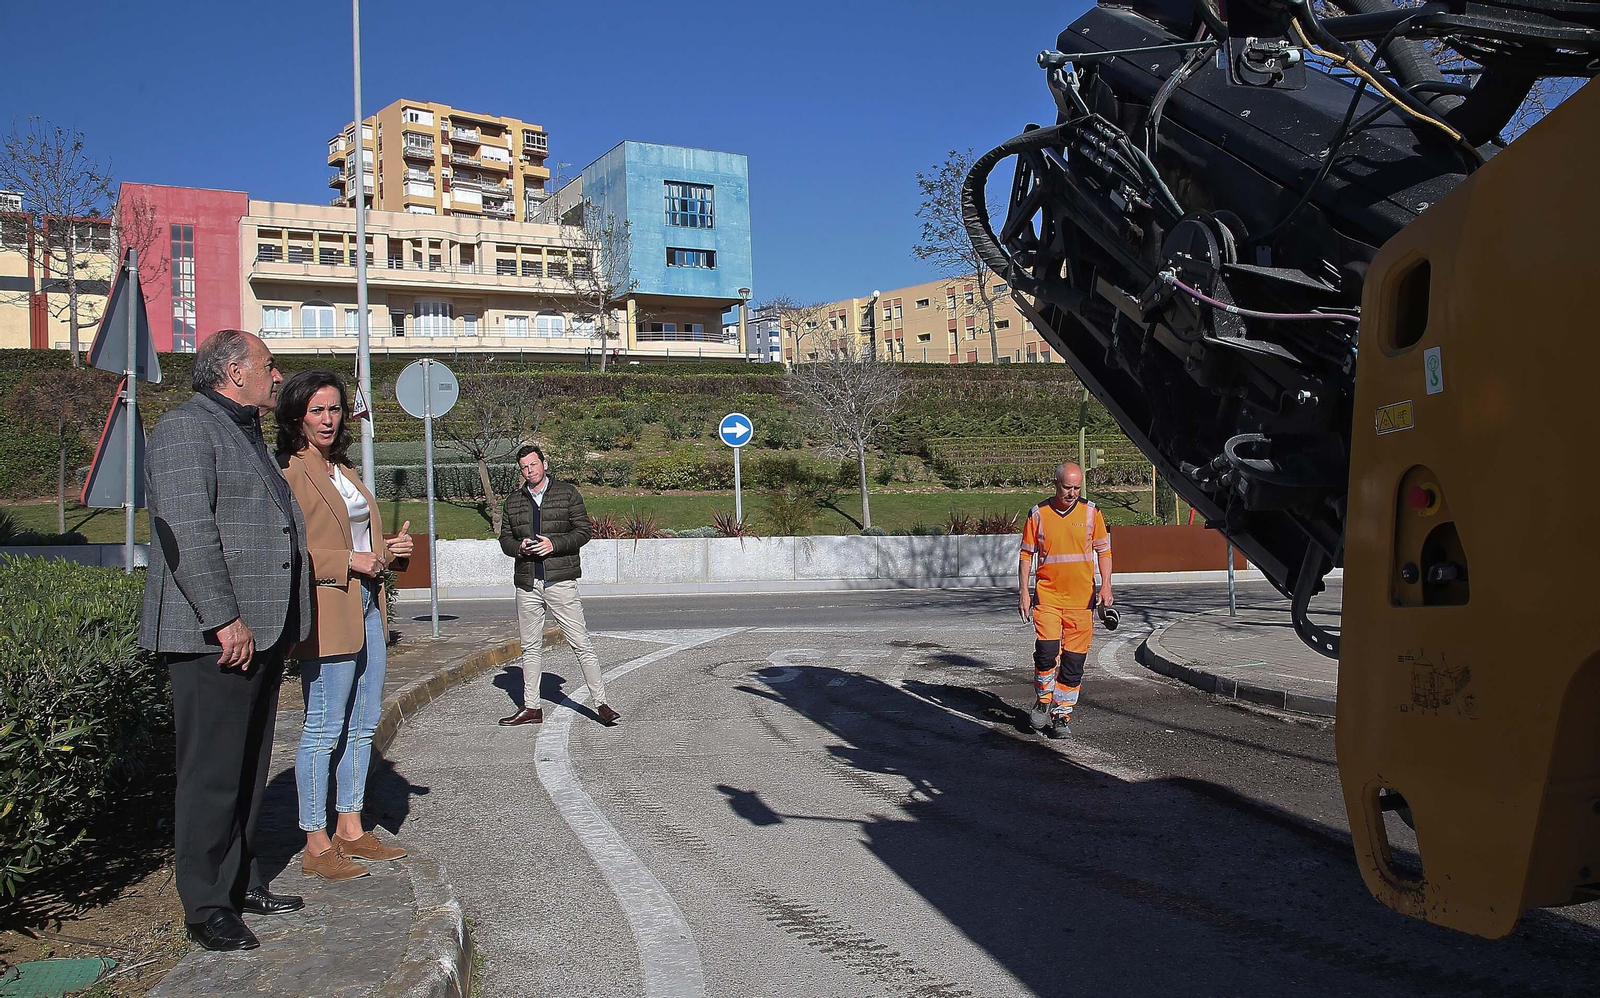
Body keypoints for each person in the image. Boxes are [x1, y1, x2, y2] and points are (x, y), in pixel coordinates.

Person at [140, 330, 312, 952]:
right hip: (213, 637)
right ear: (235, 372)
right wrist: (224, 618)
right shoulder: (187, 428)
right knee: (211, 775)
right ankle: (207, 905)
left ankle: (239, 883)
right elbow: (187, 532)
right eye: (269, 365)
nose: (277, 375)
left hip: (256, 633)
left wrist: (283, 623)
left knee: (247, 768)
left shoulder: (244, 430)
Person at [276, 371, 415, 881]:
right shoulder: (289, 472)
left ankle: (350, 828)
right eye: (316, 410)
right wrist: (346, 561)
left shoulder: (345, 469)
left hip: (367, 606)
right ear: (297, 416)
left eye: (334, 409)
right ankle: (315, 842)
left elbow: (363, 544)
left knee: (363, 722)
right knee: (323, 727)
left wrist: (390, 553)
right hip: (327, 610)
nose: (328, 419)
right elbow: (286, 550)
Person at [496, 445, 619, 727]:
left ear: (544, 464)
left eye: (533, 464)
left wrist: (554, 544)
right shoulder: (513, 501)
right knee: (530, 647)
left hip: (560, 582)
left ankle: (602, 704)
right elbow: (505, 540)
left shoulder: (567, 493)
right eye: (524, 467)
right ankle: (532, 707)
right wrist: (520, 547)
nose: (530, 470)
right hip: (527, 583)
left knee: (581, 643)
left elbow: (583, 531)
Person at [1017, 462, 1113, 738]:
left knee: (1073, 662)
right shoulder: (1038, 514)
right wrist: (1023, 591)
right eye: (1067, 487)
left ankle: (1062, 714)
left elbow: (1104, 552)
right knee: (1046, 652)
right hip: (1047, 597)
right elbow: (1026, 555)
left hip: (1082, 602)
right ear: (1055, 483)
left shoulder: (1092, 513)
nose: (1072, 493)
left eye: (1077, 488)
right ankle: (1043, 698)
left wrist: (1106, 586)